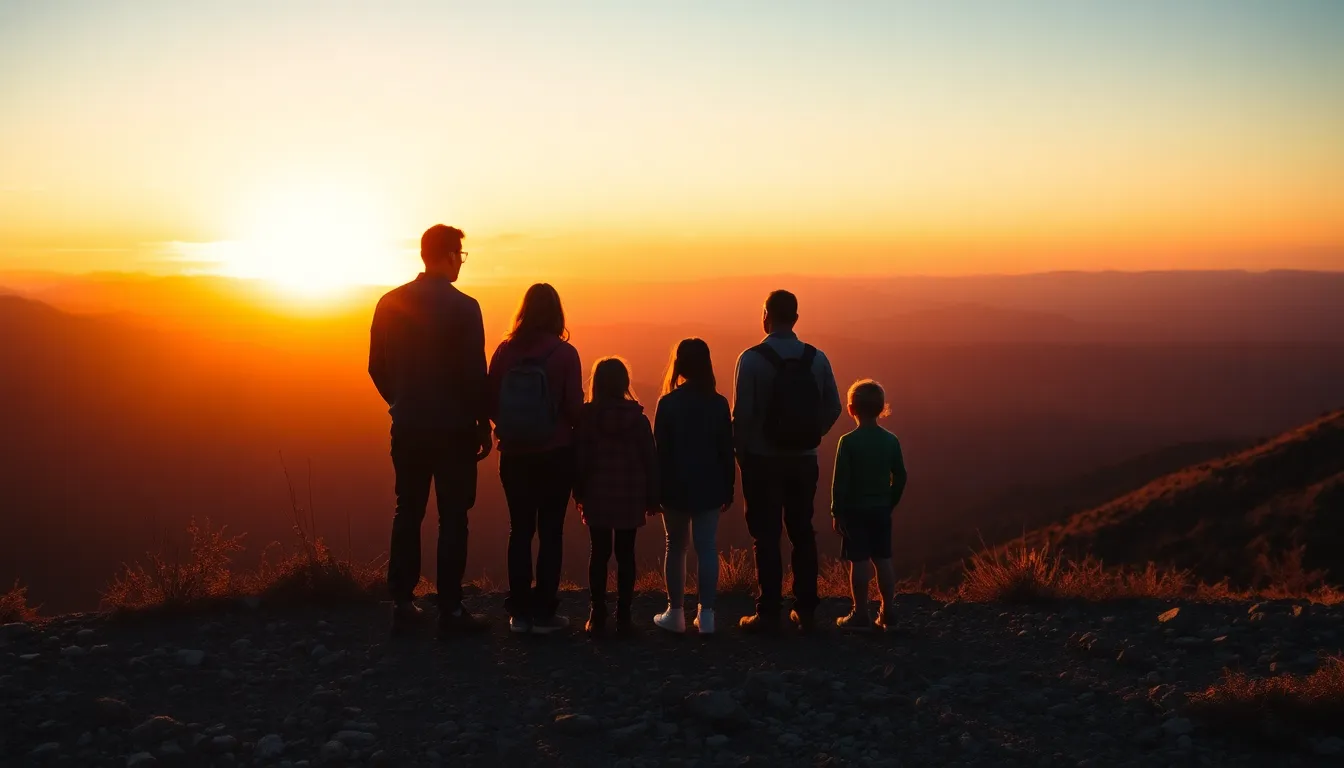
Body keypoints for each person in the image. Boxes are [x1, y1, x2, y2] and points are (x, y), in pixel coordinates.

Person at [369, 224, 492, 636]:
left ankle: (402, 603)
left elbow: (375, 367)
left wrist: (400, 400)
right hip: (454, 428)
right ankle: (451, 610)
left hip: (409, 426)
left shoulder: (389, 302)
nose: (461, 261)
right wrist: (481, 423)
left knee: (409, 510)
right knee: (453, 517)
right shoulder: (465, 307)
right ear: (446, 255)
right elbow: (475, 374)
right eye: (460, 254)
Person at [732, 290, 842, 632]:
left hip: (763, 460)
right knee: (802, 531)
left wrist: (740, 455)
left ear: (765, 315)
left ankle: (767, 613)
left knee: (766, 535)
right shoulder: (817, 358)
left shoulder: (750, 359)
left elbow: (742, 416)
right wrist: (812, 435)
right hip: (804, 461)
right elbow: (834, 407)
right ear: (795, 318)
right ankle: (806, 610)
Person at [488, 284, 583, 635]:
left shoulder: (504, 351)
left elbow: (491, 402)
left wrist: (515, 428)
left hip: (514, 457)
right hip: (556, 455)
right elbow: (574, 409)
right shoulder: (564, 354)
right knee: (551, 533)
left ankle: (519, 614)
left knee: (520, 531)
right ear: (557, 312)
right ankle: (545, 612)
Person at [652, 339, 734, 635]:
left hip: (674, 485)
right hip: (710, 484)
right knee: (707, 546)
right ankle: (707, 616)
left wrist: (655, 489)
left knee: (675, 546)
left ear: (679, 366)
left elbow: (659, 451)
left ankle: (675, 613)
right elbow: (727, 450)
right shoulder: (719, 402)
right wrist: (729, 487)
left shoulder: (668, 403)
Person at [574, 357, 658, 635]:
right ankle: (624, 616)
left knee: (598, 553)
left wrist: (579, 490)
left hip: (598, 491)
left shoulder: (587, 419)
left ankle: (597, 614)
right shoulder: (639, 420)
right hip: (630, 493)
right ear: (625, 383)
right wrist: (651, 496)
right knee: (626, 553)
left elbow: (581, 458)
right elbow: (650, 460)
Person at [830, 379, 907, 632]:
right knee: (883, 559)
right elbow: (901, 475)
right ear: (882, 407)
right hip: (881, 509)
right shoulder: (891, 440)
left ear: (851, 409)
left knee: (859, 561)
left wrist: (836, 511)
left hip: (854, 511)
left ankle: (860, 614)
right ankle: (888, 612)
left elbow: (840, 481)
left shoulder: (848, 442)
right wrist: (890, 500)